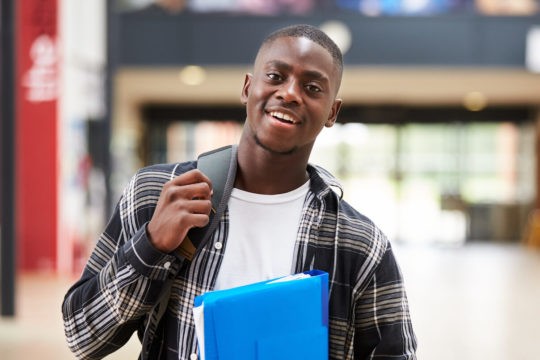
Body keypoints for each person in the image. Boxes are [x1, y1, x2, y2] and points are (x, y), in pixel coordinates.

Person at [62, 24, 417, 359]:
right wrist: (152, 244)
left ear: (332, 112)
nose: (290, 93)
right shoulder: (156, 193)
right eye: (276, 77)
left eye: (312, 88)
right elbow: (82, 336)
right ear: (248, 87)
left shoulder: (360, 243)